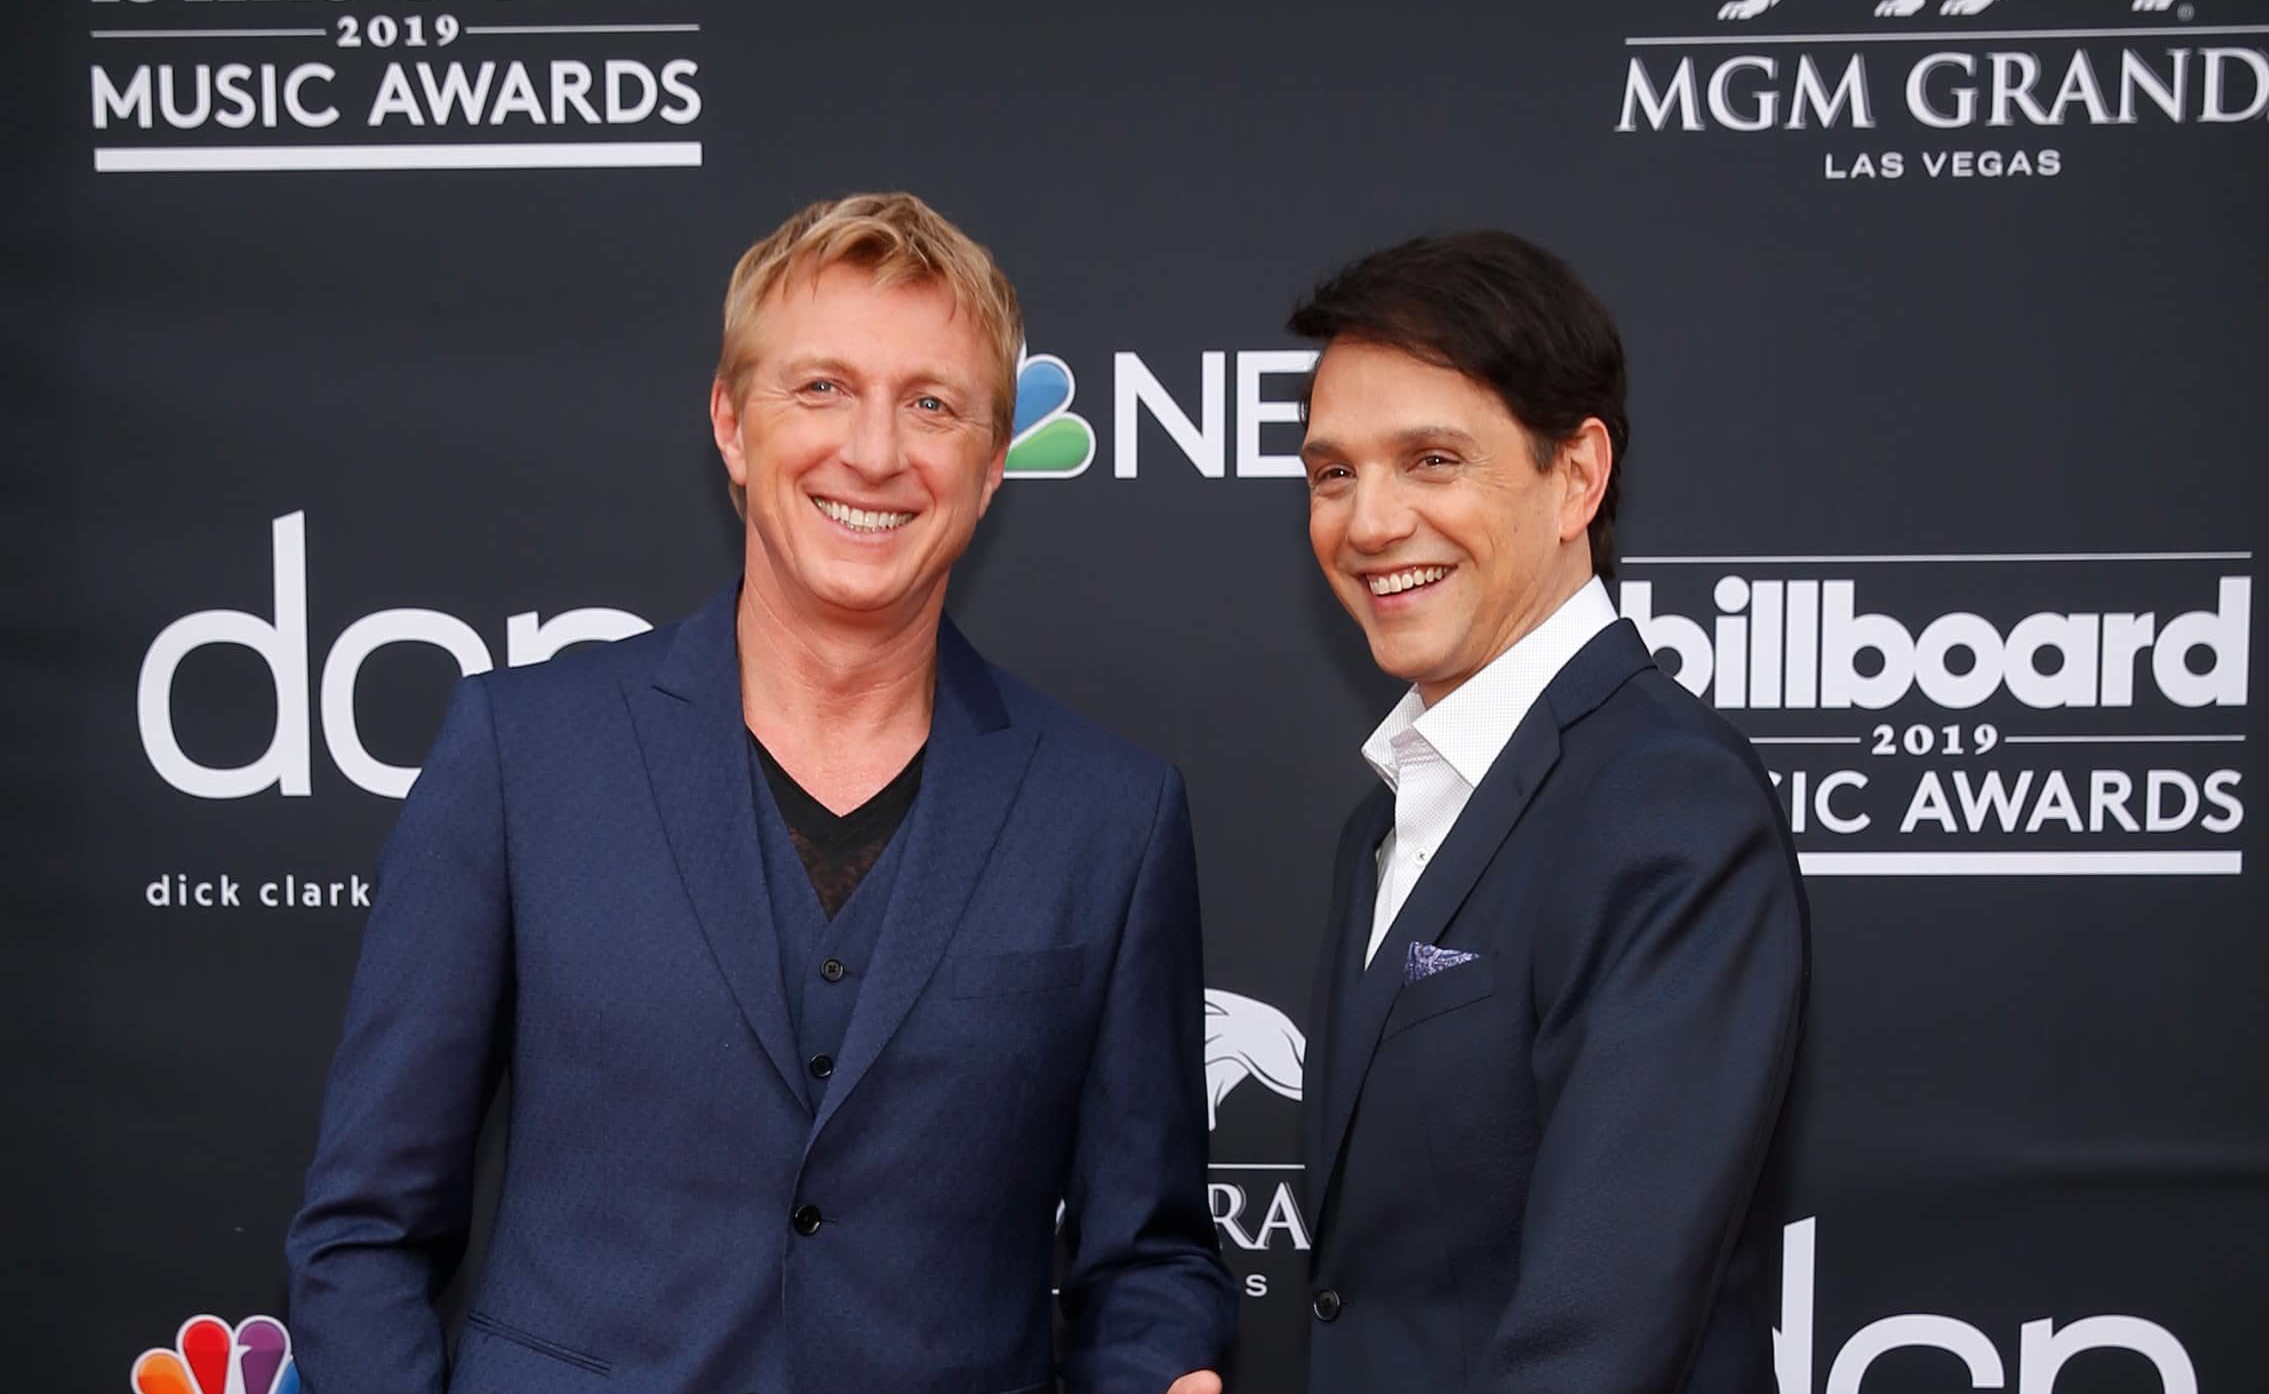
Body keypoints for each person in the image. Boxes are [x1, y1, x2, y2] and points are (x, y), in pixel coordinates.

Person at [286, 192, 1234, 1394]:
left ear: (992, 467)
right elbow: (364, 1231)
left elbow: (1147, 1255)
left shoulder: (1110, 814)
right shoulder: (522, 752)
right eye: (822, 388)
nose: (876, 452)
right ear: (732, 424)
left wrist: (1159, 1369)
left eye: (931, 405)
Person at [1288, 231, 1808, 1392]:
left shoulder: (1667, 806)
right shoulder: (1383, 819)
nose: (1367, 523)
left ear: (1576, 475)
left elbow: (1598, 1334)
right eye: (1333, 472)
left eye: (1429, 460)